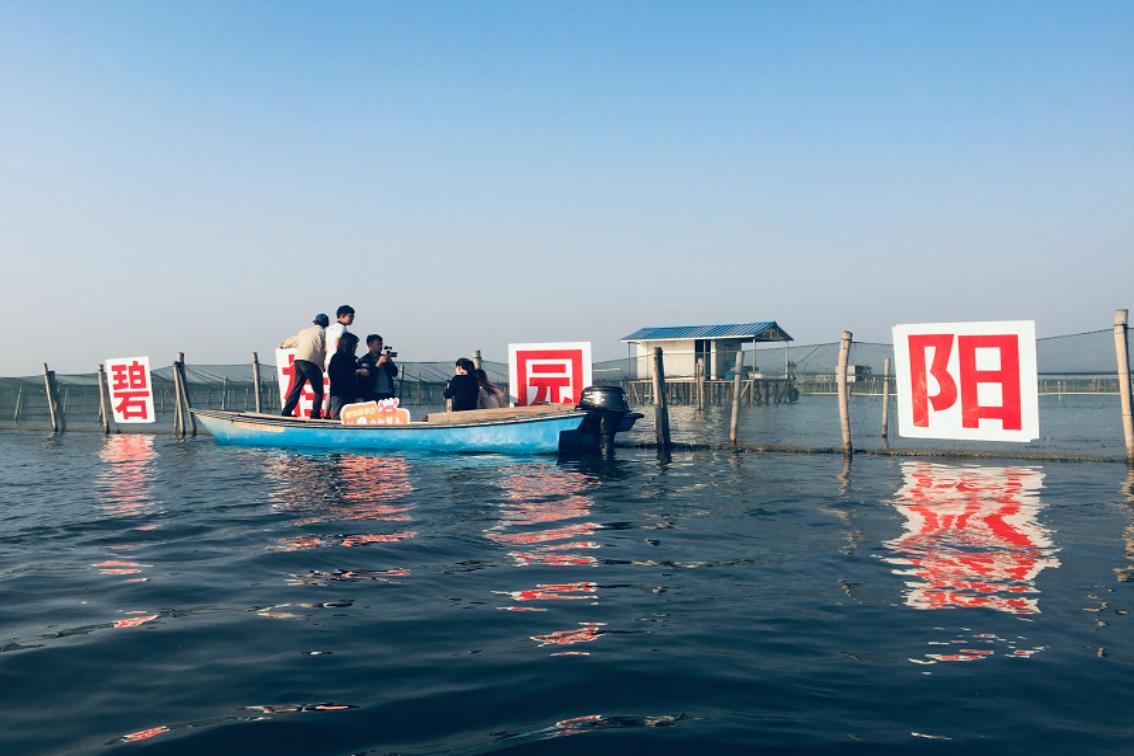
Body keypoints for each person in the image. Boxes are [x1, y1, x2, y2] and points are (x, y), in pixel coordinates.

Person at [280, 314, 328, 419]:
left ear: (314, 322)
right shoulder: (323, 333)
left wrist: (284, 345)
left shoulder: (304, 331)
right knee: (318, 391)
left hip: (298, 360)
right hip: (311, 362)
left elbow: (294, 340)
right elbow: (325, 350)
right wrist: (323, 365)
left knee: (297, 388)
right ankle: (315, 414)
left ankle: (286, 412)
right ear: (325, 325)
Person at [327, 332, 366, 419]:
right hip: (339, 393)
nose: (356, 347)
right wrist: (357, 371)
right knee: (338, 419)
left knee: (349, 419)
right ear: (349, 344)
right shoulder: (337, 357)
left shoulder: (353, 359)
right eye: (355, 344)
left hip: (351, 394)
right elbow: (335, 374)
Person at [356, 334, 399, 402]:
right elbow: (368, 376)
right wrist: (378, 363)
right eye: (378, 344)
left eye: (381, 344)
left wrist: (390, 362)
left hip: (387, 393)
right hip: (373, 394)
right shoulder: (364, 359)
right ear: (370, 344)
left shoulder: (384, 357)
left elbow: (395, 373)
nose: (381, 346)